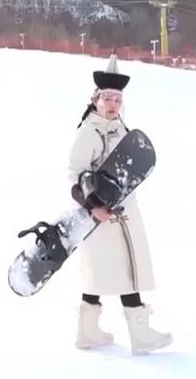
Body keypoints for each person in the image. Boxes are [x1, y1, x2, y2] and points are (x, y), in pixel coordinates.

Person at [69, 55, 172, 355]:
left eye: (117, 99)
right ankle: (140, 335)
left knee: (107, 272)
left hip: (124, 213)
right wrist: (93, 206)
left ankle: (88, 332)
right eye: (108, 98)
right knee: (124, 271)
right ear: (96, 99)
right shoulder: (89, 131)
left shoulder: (118, 127)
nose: (113, 104)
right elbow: (75, 174)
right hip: (102, 218)